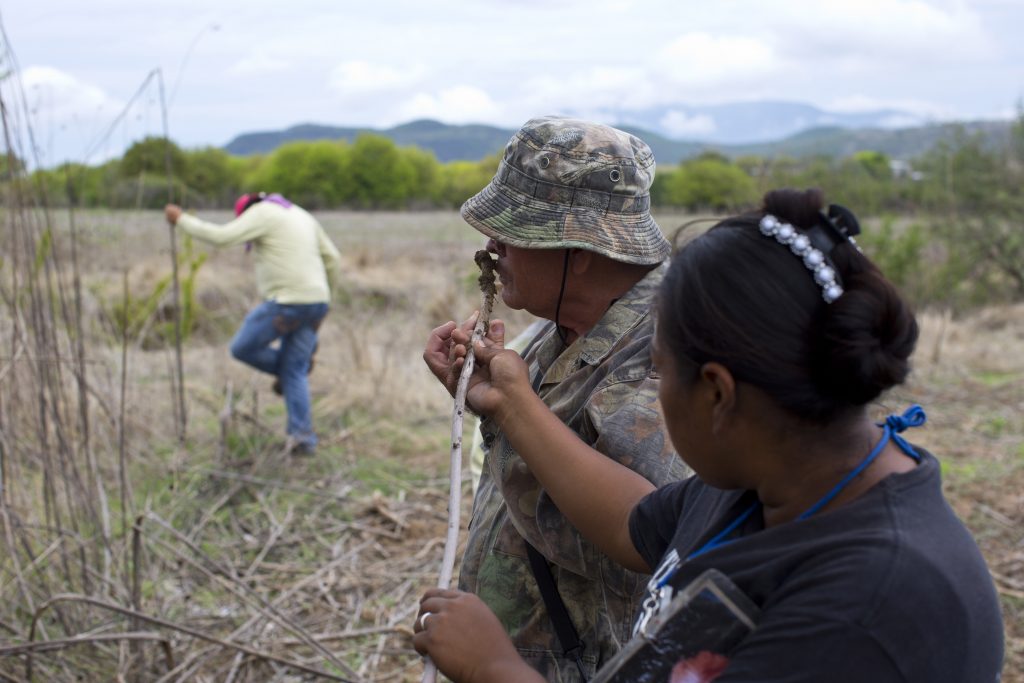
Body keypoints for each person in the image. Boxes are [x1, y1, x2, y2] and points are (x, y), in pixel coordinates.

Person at [414, 188, 1005, 682]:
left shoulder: (864, 607)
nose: (657, 393)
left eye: (663, 372)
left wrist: (497, 669)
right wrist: (511, 404)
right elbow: (633, 524)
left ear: (718, 393)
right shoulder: (774, 484)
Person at [423, 116, 689, 680]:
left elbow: (641, 540)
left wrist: (513, 411)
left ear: (580, 250)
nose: (491, 248)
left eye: (513, 231)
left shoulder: (669, 357)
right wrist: (492, 402)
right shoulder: (565, 325)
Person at [164, 193, 343, 456]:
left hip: (286, 301)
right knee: (295, 370)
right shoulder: (301, 213)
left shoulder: (263, 212)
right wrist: (325, 297)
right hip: (317, 301)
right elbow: (334, 259)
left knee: (242, 348)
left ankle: (289, 374)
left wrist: (181, 221)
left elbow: (221, 237)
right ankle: (303, 441)